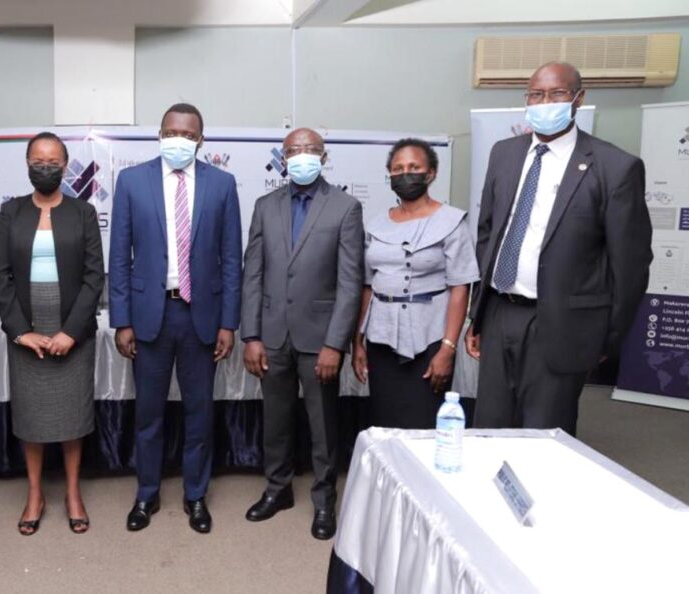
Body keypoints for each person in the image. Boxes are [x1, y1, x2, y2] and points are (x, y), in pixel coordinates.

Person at [466, 62, 652, 435]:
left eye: (556, 94)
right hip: (502, 311)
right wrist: (479, 312)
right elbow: (488, 234)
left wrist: (607, 338)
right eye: (536, 94)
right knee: (489, 426)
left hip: (563, 324)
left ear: (579, 99)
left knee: (544, 433)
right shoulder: (504, 154)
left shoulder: (615, 167)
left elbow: (630, 265)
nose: (544, 102)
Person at [109, 103, 242, 534]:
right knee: (148, 413)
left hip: (200, 316)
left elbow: (230, 260)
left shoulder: (222, 185)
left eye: (187, 133)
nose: (178, 139)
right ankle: (146, 494)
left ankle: (195, 496)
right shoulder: (132, 181)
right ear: (159, 134)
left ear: (201, 139)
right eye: (170, 131)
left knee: (199, 412)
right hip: (151, 315)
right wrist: (122, 321)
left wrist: (229, 323)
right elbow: (120, 257)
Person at [240, 127, 363, 540]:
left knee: (323, 423)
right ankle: (278, 490)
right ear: (282, 158)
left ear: (324, 156)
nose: (302, 156)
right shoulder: (264, 205)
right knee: (275, 420)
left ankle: (324, 500)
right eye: (293, 150)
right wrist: (251, 335)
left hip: (320, 339)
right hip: (272, 335)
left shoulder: (345, 207)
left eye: (310, 149)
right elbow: (252, 273)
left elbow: (350, 282)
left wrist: (335, 344)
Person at [0, 132, 104, 536]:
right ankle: (35, 493)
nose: (45, 166)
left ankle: (73, 492)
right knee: (32, 418)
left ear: (65, 164)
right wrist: (21, 332)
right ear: (26, 163)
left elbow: (94, 277)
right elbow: (0, 275)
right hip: (27, 329)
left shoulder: (83, 213)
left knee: (72, 416)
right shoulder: (11, 212)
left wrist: (71, 332)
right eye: (37, 160)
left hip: (72, 328)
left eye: (53, 160)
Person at [352, 139, 479, 429]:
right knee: (385, 420)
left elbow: (460, 287)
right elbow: (368, 286)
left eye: (413, 167)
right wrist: (357, 341)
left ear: (431, 173)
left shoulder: (452, 221)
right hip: (381, 337)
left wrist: (448, 348)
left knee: (424, 421)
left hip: (430, 337)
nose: (405, 173)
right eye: (397, 169)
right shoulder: (376, 224)